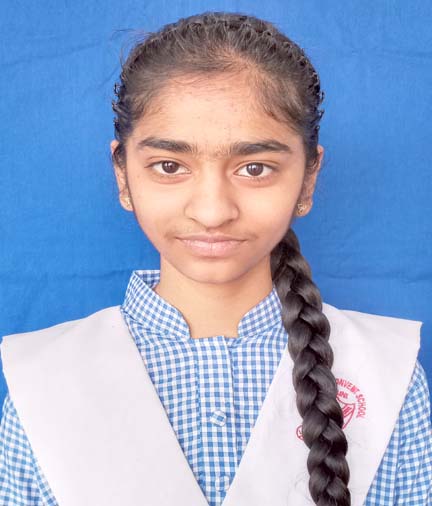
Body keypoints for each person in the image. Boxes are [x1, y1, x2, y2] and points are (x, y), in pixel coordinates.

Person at [0, 10, 431, 506]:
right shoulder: (42, 381)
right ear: (123, 175)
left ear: (308, 178)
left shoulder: (385, 373)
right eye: (169, 166)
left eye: (255, 168)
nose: (212, 211)